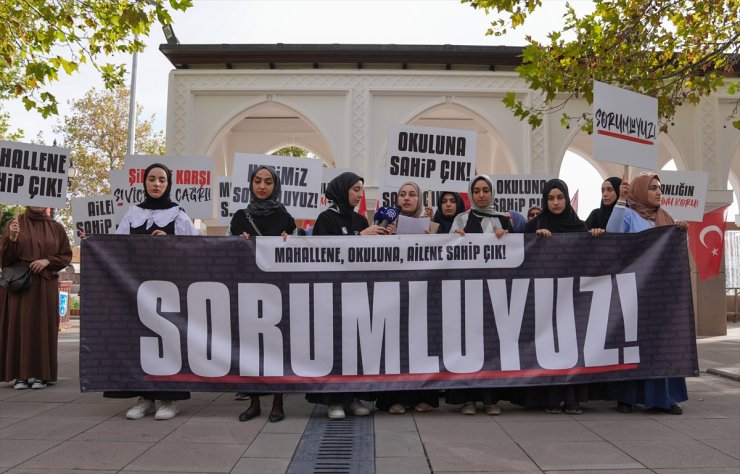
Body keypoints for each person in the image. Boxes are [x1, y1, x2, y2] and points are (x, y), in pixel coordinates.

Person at [104, 163, 197, 420]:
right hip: (137, 291)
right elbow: (117, 248)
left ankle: (169, 399)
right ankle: (145, 396)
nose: (157, 184)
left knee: (166, 341)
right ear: (144, 183)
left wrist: (169, 244)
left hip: (168, 290)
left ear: (169, 184)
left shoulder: (179, 215)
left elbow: (195, 251)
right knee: (141, 342)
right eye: (152, 179)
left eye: (162, 180)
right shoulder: (133, 214)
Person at [605, 172, 688, 415]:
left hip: (660, 295)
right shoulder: (629, 215)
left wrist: (681, 232)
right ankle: (627, 397)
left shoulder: (666, 218)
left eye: (659, 188)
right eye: (652, 188)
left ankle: (665, 398)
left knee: (662, 345)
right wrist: (621, 200)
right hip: (634, 292)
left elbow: (676, 255)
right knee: (633, 343)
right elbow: (613, 233)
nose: (658, 192)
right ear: (641, 191)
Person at [306, 171, 387, 419]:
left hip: (357, 294)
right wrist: (358, 237)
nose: (359, 193)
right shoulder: (326, 218)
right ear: (342, 190)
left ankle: (352, 398)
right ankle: (334, 402)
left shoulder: (362, 220)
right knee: (335, 349)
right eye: (355, 189)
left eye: (362, 189)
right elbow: (324, 251)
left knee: (355, 349)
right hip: (331, 295)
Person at [521, 178, 603, 414]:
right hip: (544, 299)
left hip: (572, 300)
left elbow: (590, 258)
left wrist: (595, 236)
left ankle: (572, 398)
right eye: (550, 198)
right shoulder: (534, 226)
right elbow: (522, 257)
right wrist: (536, 239)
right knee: (548, 347)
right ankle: (550, 397)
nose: (555, 202)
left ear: (566, 199)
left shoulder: (579, 227)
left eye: (559, 197)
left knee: (571, 347)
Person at [229, 165, 297, 423]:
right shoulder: (240, 217)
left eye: (268, 182)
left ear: (275, 185)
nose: (262, 186)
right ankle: (254, 402)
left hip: (277, 290)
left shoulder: (285, 216)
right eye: (257, 181)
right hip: (249, 288)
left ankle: (278, 403)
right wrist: (238, 242)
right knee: (250, 345)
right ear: (251, 184)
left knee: (277, 346)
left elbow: (296, 249)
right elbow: (227, 252)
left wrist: (289, 238)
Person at [446, 174, 510, 415]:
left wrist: (507, 239)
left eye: (485, 190)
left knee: (491, 345)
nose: (481, 195)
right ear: (471, 194)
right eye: (477, 191)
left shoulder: (503, 219)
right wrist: (455, 239)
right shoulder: (461, 219)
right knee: (467, 343)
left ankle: (490, 399)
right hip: (466, 292)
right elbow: (448, 254)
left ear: (492, 192)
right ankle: (467, 399)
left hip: (494, 294)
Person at [375, 182, 441, 415]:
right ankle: (394, 398)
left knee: (420, 344)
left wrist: (431, 237)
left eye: (412, 194)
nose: (407, 198)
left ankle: (422, 396)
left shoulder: (431, 226)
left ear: (419, 199)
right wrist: (385, 236)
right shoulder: (384, 224)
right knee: (395, 346)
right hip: (393, 295)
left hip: (421, 294)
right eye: (402, 194)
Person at [1, 207, 72, 390]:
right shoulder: (14, 224)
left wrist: (47, 261)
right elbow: (5, 259)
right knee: (20, 327)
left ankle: (42, 374)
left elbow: (65, 255)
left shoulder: (56, 227)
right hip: (20, 284)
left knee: (43, 327)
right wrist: (13, 238)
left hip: (45, 284)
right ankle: (20, 376)